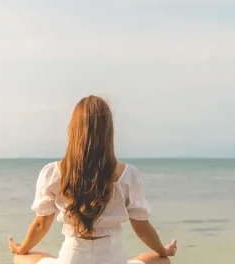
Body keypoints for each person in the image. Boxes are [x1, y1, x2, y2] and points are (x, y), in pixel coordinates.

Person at [9, 95, 178, 264]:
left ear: (73, 129)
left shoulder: (53, 173)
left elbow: (41, 225)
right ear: (108, 132)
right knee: (160, 260)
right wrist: (163, 250)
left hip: (72, 259)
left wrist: (21, 248)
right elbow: (141, 228)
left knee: (22, 258)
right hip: (113, 259)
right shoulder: (128, 174)